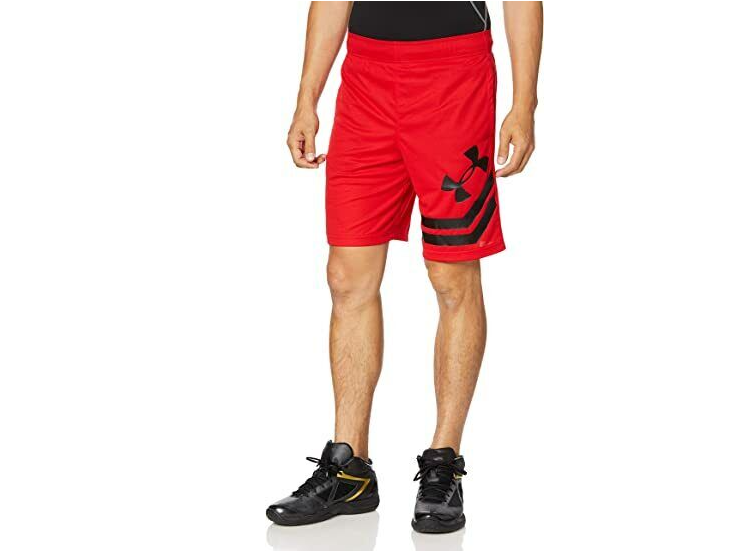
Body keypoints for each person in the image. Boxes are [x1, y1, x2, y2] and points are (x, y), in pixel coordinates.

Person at [268, 1, 543, 533]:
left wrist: (524, 102)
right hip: (365, 79)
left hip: (454, 77)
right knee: (346, 276)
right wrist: (307, 98)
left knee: (451, 274)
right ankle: (349, 469)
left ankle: (443, 463)